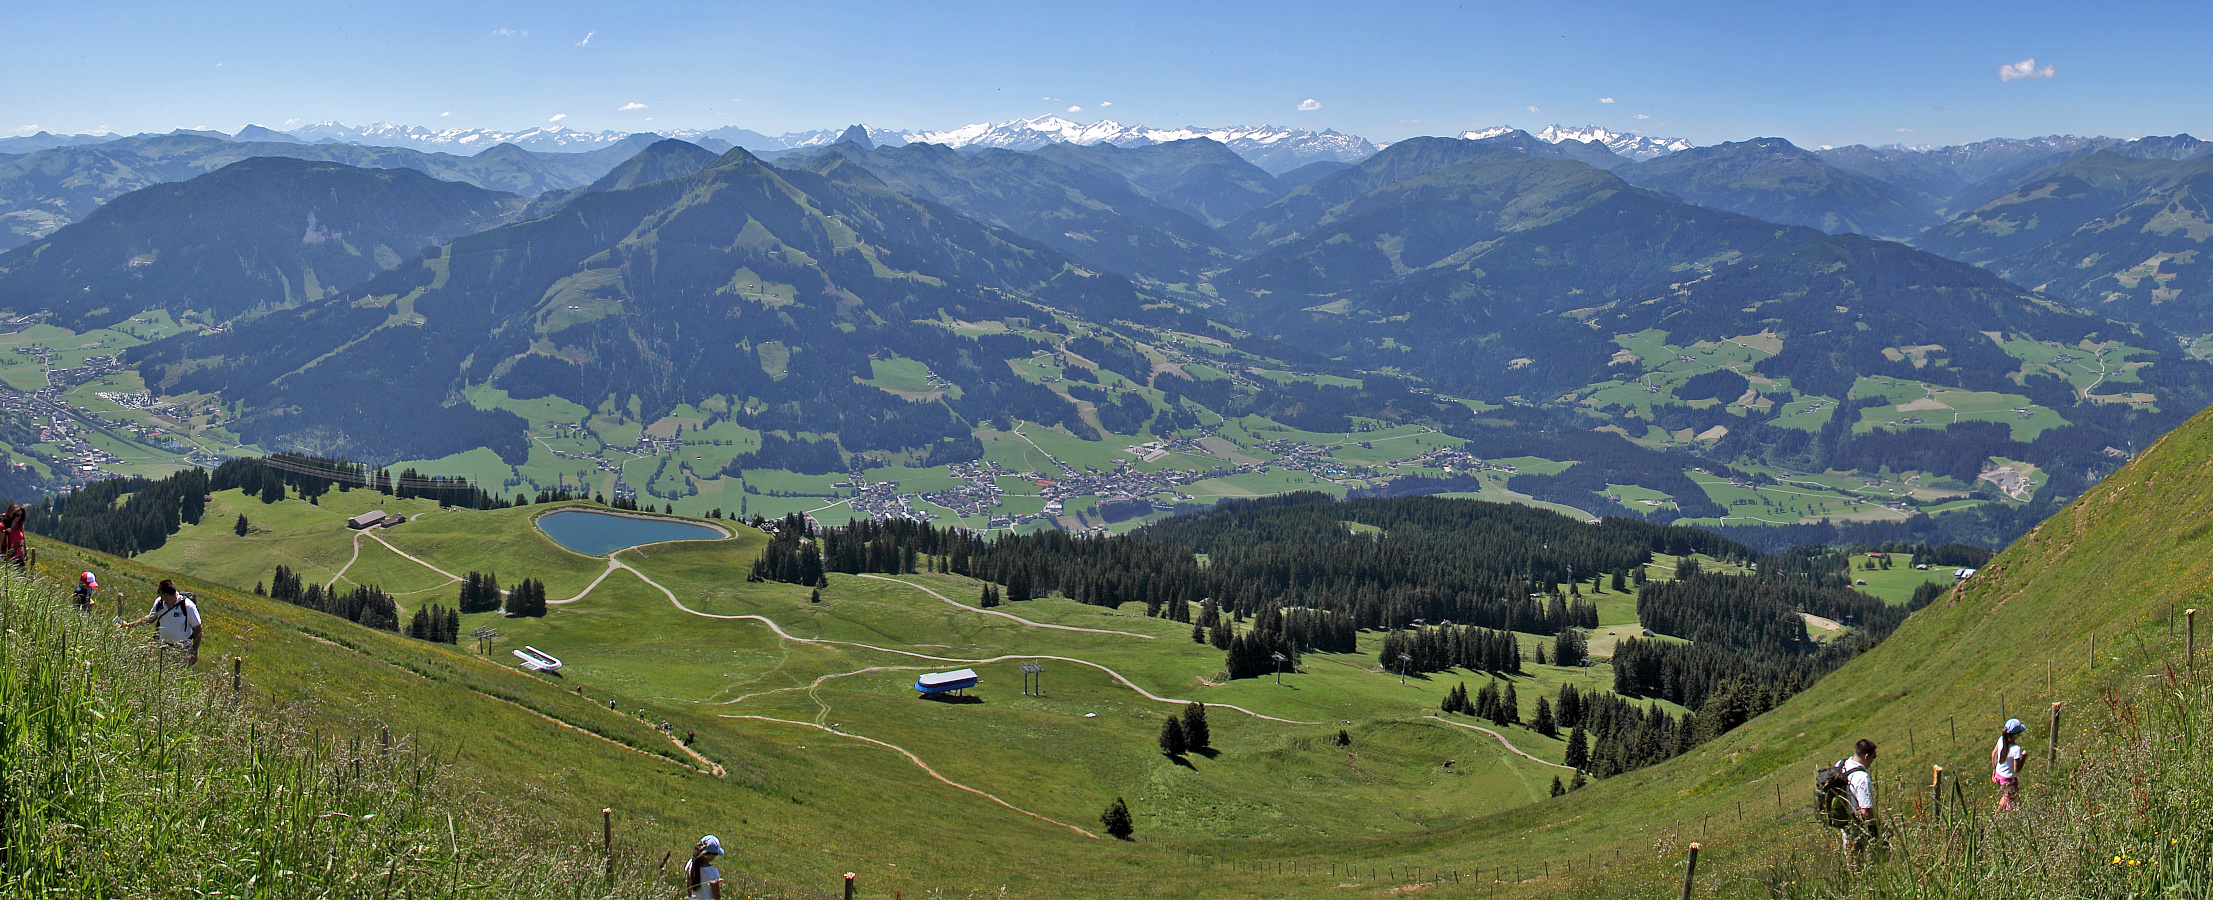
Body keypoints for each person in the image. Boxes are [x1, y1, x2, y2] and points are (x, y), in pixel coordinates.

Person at [120, 579, 201, 665]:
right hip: (163, 648)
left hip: (183, 650)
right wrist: (130, 625)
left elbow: (198, 629)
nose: (159, 596)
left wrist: (194, 652)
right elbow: (150, 619)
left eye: (160, 593)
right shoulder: (159, 603)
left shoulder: (188, 606)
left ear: (166, 595)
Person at [1837, 738, 1879, 864]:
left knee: (1850, 860)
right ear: (1866, 757)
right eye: (1873, 757)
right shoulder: (1862, 777)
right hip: (1856, 826)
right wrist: (1877, 830)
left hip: (1844, 822)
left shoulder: (1841, 765)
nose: (1873, 761)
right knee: (1859, 864)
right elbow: (1866, 810)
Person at [1992, 718, 2028, 811]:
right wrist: (2023, 758)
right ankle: (2009, 818)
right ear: (2016, 735)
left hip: (1999, 775)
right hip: (2008, 779)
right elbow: (2016, 769)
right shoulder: (2016, 749)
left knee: (2006, 796)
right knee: (2013, 802)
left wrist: (1994, 771)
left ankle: (1996, 815)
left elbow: (1993, 755)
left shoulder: (2001, 740)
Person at [683, 835, 725, 900]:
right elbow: (717, 896)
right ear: (711, 855)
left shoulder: (690, 863)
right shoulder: (713, 871)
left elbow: (689, 891)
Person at [1, 503, 26, 569]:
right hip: (6, 556)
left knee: (22, 575)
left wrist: (25, 551)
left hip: (19, 555)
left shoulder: (20, 524)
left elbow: (23, 538)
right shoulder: (3, 526)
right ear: (11, 514)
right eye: (17, 515)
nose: (19, 517)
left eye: (20, 515)